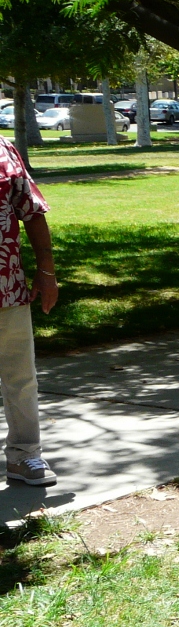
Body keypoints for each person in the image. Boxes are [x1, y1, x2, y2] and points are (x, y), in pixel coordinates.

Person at [1, 136, 58, 487]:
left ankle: (25, 455)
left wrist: (47, 271)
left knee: (20, 376)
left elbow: (32, 212)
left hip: (6, 284)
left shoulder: (3, 149)